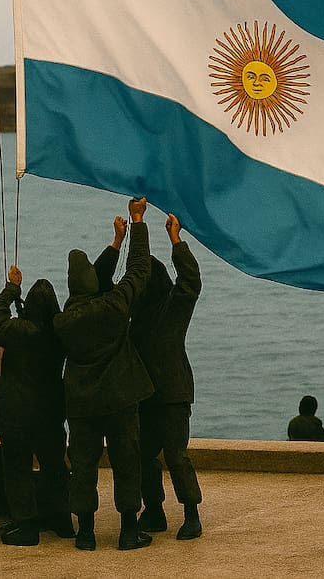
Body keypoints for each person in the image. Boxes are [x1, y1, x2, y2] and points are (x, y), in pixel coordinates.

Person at [55, 198, 155, 552]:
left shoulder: (63, 321)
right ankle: (129, 531)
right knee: (128, 462)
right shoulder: (114, 308)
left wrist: (115, 242)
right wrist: (138, 223)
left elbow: (91, 282)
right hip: (119, 399)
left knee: (82, 467)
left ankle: (85, 533)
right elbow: (139, 269)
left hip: (81, 404)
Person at [0, 266, 72, 545]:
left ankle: (26, 525)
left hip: (17, 412)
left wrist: (12, 289)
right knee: (55, 465)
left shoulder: (19, 330)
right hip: (50, 411)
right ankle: (61, 519)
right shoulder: (60, 333)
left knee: (17, 467)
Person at [131, 213, 204, 540]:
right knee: (145, 456)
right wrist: (134, 230)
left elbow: (190, 282)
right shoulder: (136, 315)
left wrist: (176, 241)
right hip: (147, 395)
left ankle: (192, 514)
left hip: (172, 397)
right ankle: (155, 511)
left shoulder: (171, 308)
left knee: (176, 456)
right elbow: (129, 275)